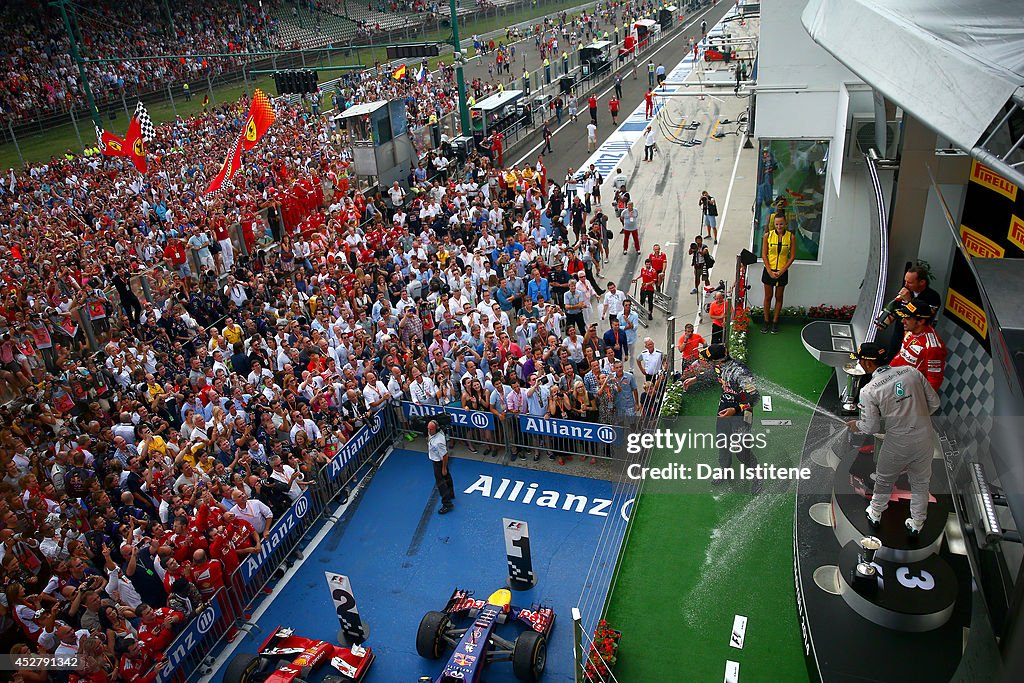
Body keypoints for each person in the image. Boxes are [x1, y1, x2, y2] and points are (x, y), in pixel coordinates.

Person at [847, 343, 941, 535]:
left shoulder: (869, 391)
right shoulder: (911, 371)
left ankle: (875, 513)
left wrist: (856, 425)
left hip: (897, 442)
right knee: (921, 483)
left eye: (860, 360)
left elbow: (870, 426)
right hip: (924, 437)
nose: (859, 364)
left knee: (884, 480)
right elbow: (935, 403)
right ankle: (917, 523)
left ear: (867, 363)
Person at [683, 344, 762, 493]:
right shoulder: (719, 366)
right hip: (724, 411)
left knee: (741, 451)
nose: (707, 363)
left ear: (717, 360)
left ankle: (758, 477)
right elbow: (714, 373)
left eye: (709, 361)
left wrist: (735, 409)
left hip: (742, 415)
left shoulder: (741, 373)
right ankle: (725, 470)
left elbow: (755, 398)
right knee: (722, 442)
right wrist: (695, 379)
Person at [890, 302, 947, 392]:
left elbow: (934, 381)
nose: (902, 321)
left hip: (910, 391)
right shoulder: (910, 331)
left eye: (907, 318)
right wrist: (888, 372)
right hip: (896, 381)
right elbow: (901, 355)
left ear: (921, 321)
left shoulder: (932, 348)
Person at [761, 212, 795, 334]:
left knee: (779, 297)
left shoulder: (791, 237)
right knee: (768, 297)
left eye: (781, 224)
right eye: (776, 224)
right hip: (768, 271)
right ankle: (766, 321)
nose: (779, 226)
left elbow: (792, 256)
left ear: (785, 223)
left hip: (782, 271)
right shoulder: (767, 236)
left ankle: (775, 322)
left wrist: (782, 271)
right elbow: (764, 254)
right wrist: (769, 270)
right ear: (773, 224)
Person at [427, 420, 454, 515]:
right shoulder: (436, 432)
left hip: (438, 462)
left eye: (431, 429)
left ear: (436, 429)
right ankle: (451, 493)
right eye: (428, 429)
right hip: (437, 460)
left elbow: (445, 455)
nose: (429, 431)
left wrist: (443, 468)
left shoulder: (438, 442)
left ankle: (447, 504)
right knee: (447, 477)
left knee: (441, 483)